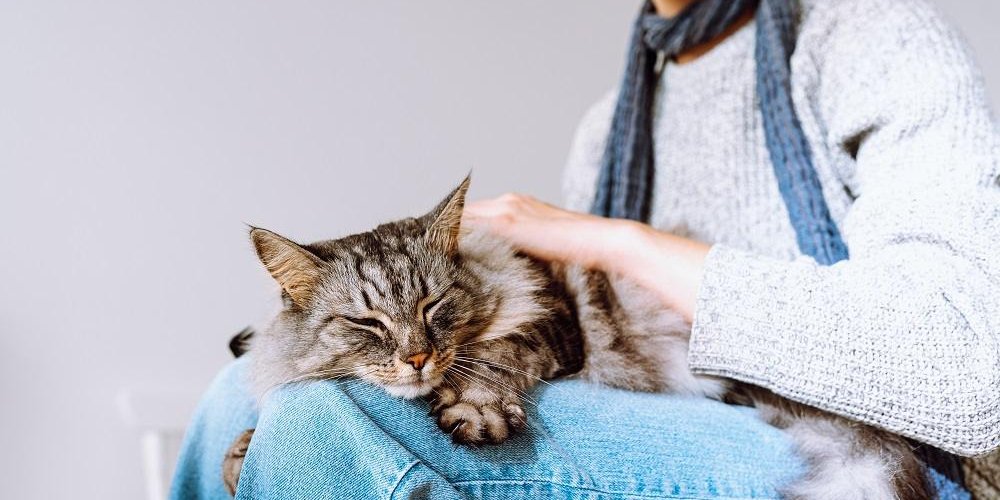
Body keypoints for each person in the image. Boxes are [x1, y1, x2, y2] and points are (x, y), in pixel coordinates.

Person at [171, 0, 999, 498]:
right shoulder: (612, 124)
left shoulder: (869, 31)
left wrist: (619, 242)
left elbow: (968, 372)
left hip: (883, 452)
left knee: (323, 419)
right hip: (678, 408)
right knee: (231, 397)